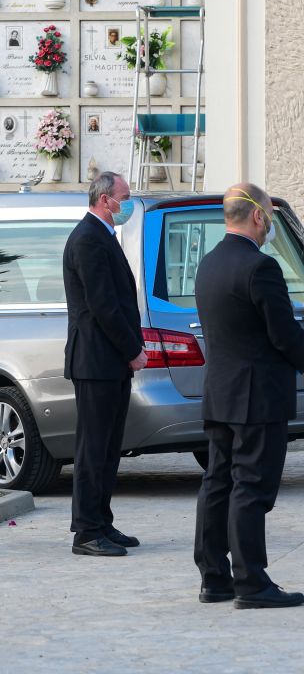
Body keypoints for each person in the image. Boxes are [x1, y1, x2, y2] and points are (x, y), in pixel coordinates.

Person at [192, 183, 304, 608]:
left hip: (221, 392)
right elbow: (283, 332)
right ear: (258, 216)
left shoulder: (207, 263)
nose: (270, 227)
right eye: (270, 219)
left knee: (218, 482)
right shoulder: (260, 267)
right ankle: (251, 582)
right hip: (257, 394)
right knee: (251, 487)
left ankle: (214, 577)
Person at [62, 172, 145, 557]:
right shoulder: (87, 239)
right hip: (96, 361)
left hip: (110, 363)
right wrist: (133, 349)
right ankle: (86, 531)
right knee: (93, 448)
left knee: (110, 448)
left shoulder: (103, 236)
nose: (128, 204)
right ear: (104, 199)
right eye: (124, 197)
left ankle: (102, 522)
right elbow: (104, 307)